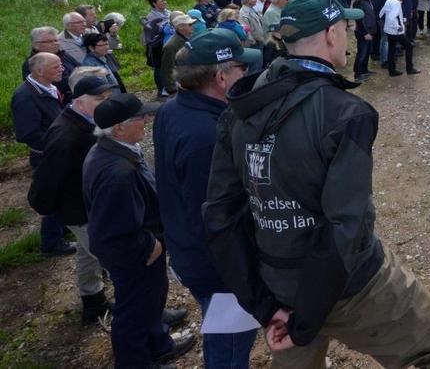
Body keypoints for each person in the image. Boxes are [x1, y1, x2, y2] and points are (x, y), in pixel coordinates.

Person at [203, 0, 430, 368]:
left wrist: (265, 305)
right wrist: (306, 319)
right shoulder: (347, 114)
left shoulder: (239, 109)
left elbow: (219, 216)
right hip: (349, 287)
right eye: (346, 27)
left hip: (277, 281)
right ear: (330, 35)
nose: (350, 34)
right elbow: (345, 226)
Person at [154, 29, 261, 368]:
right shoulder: (207, 136)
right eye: (241, 69)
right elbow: (215, 217)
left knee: (223, 335)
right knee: (230, 345)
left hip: (190, 250)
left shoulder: (172, 110)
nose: (246, 74)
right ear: (220, 77)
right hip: (220, 267)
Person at [84, 93, 196, 368]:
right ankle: (137, 362)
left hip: (139, 253)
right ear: (119, 127)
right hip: (135, 257)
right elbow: (112, 228)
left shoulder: (113, 149)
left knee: (149, 302)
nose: (147, 120)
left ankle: (159, 345)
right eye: (140, 117)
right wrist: (150, 245)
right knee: (133, 312)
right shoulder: (117, 172)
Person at [29, 72, 114, 325]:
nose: (106, 103)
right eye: (100, 99)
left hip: (84, 207)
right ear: (79, 100)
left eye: (108, 97)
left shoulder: (83, 120)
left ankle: (93, 302)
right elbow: (47, 178)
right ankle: (147, 316)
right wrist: (47, 207)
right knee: (118, 262)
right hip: (81, 211)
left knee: (88, 255)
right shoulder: (66, 133)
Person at [12, 52, 76, 257]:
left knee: (63, 191)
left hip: (57, 151)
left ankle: (63, 229)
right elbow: (27, 133)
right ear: (39, 70)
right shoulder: (25, 96)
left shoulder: (48, 87)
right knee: (51, 195)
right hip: (47, 155)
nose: (62, 69)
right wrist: (57, 143)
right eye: (56, 66)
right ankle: (51, 243)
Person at [22, 26, 76, 100]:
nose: (55, 43)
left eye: (56, 40)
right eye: (49, 41)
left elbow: (80, 67)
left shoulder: (62, 54)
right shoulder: (32, 64)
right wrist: (79, 79)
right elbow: (55, 86)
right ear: (36, 45)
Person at [381, 0, 421, 76]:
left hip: (388, 30)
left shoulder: (389, 0)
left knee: (391, 50)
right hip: (396, 31)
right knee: (409, 46)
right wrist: (398, 26)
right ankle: (409, 68)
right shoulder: (397, 3)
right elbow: (392, 17)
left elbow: (382, 12)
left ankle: (392, 71)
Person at [159, 14, 197, 96]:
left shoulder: (188, 37)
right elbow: (167, 69)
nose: (193, 26)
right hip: (181, 86)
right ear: (181, 27)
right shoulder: (171, 46)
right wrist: (172, 89)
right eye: (190, 24)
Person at [143, 0, 171, 97]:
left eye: (165, 0)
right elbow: (154, 31)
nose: (165, 2)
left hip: (168, 43)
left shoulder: (168, 12)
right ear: (154, 4)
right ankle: (161, 89)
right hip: (156, 45)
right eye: (162, 1)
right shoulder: (151, 16)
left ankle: (169, 85)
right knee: (159, 67)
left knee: (169, 65)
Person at [353, 0, 378, 82]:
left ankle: (364, 70)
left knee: (367, 52)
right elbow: (358, 20)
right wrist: (365, 33)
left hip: (370, 31)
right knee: (362, 53)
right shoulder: (358, 1)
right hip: (363, 32)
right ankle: (357, 74)